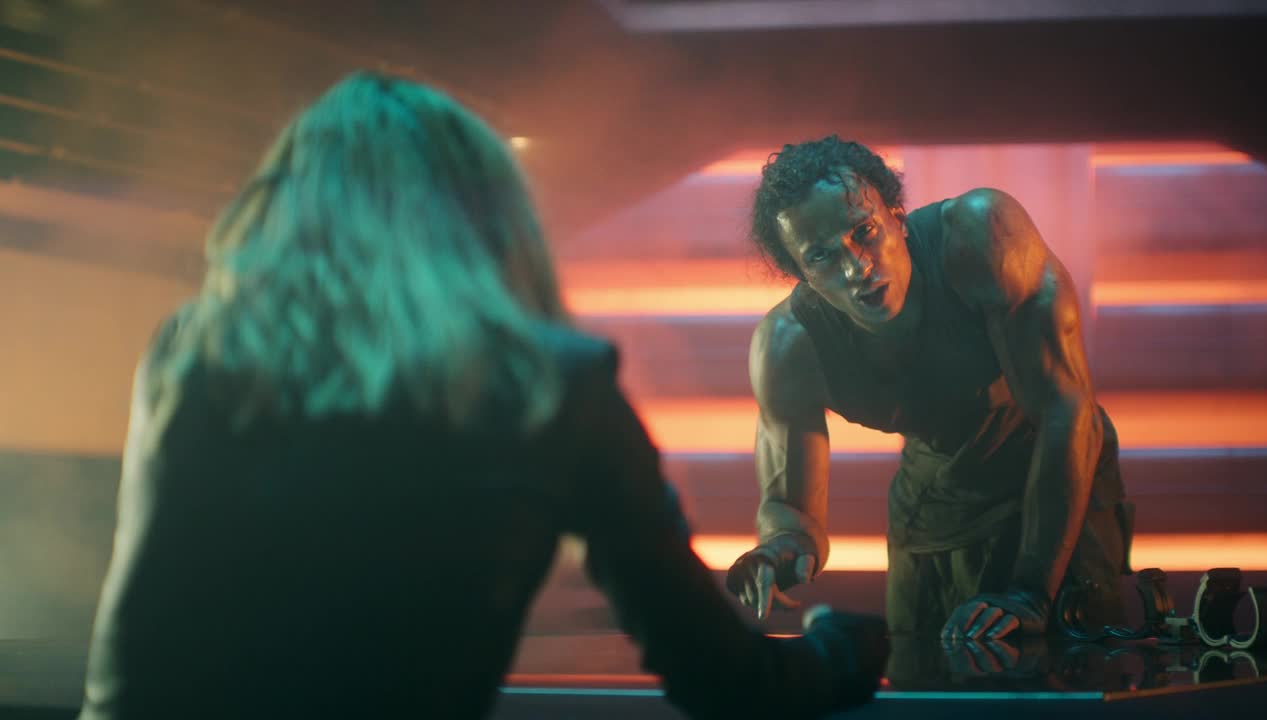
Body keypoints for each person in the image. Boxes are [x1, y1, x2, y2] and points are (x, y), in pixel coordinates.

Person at [77, 75, 889, 720]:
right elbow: (722, 680)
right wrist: (839, 651)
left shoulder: (198, 355)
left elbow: (131, 665)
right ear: (484, 214)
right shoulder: (552, 386)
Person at [725, 136, 1134, 641]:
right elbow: (792, 511)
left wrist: (1031, 592)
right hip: (934, 509)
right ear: (801, 276)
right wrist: (779, 549)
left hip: (1054, 479)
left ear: (897, 217)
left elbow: (1066, 413)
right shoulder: (789, 346)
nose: (857, 267)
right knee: (924, 673)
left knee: (1072, 665)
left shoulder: (982, 236)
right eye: (822, 256)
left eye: (864, 231)